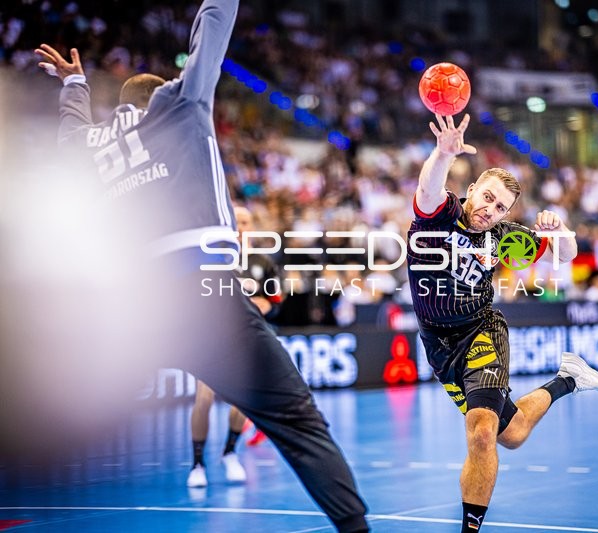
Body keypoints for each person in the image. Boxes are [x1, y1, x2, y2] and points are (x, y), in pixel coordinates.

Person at [35, 1, 369, 530]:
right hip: (203, 297)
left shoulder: (95, 145)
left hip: (133, 315)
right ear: (160, 93)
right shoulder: (181, 102)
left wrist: (74, 85)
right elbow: (211, 27)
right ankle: (356, 527)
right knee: (296, 419)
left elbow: (70, 136)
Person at [407, 113, 598, 533]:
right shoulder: (438, 215)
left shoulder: (503, 237)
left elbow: (567, 254)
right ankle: (568, 379)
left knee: (482, 432)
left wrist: (562, 230)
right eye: (487, 198)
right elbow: (428, 187)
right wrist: (443, 154)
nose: (490, 210)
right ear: (471, 190)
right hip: (438, 344)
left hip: (482, 329)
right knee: (512, 433)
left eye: (500, 207)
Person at [187, 205, 278, 487]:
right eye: (236, 221)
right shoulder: (210, 258)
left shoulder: (262, 262)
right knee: (203, 399)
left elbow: (273, 300)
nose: (241, 226)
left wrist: (264, 305)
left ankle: (229, 453)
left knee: (241, 401)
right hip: (212, 338)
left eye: (246, 221)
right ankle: (198, 463)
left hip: (245, 338)